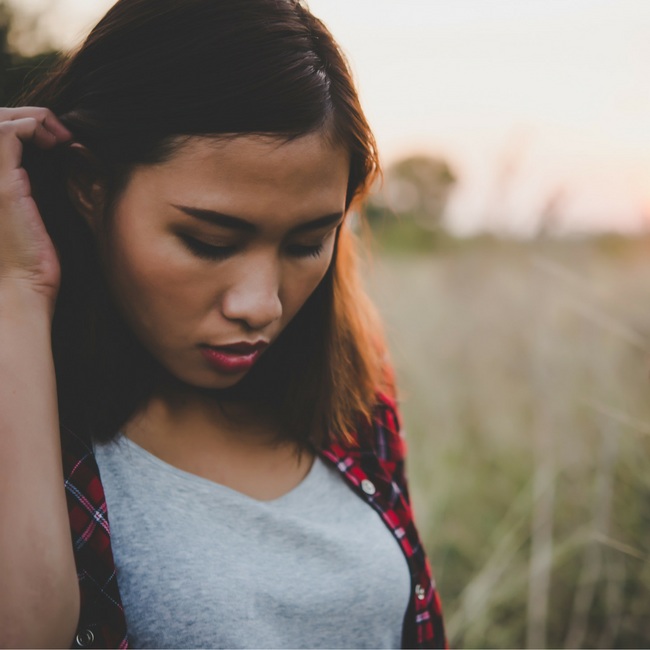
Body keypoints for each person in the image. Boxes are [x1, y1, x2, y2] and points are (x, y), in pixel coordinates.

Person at [0, 0, 446, 648]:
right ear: (89, 186)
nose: (260, 304)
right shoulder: (32, 413)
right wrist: (17, 288)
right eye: (210, 241)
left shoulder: (352, 392)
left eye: (306, 243)